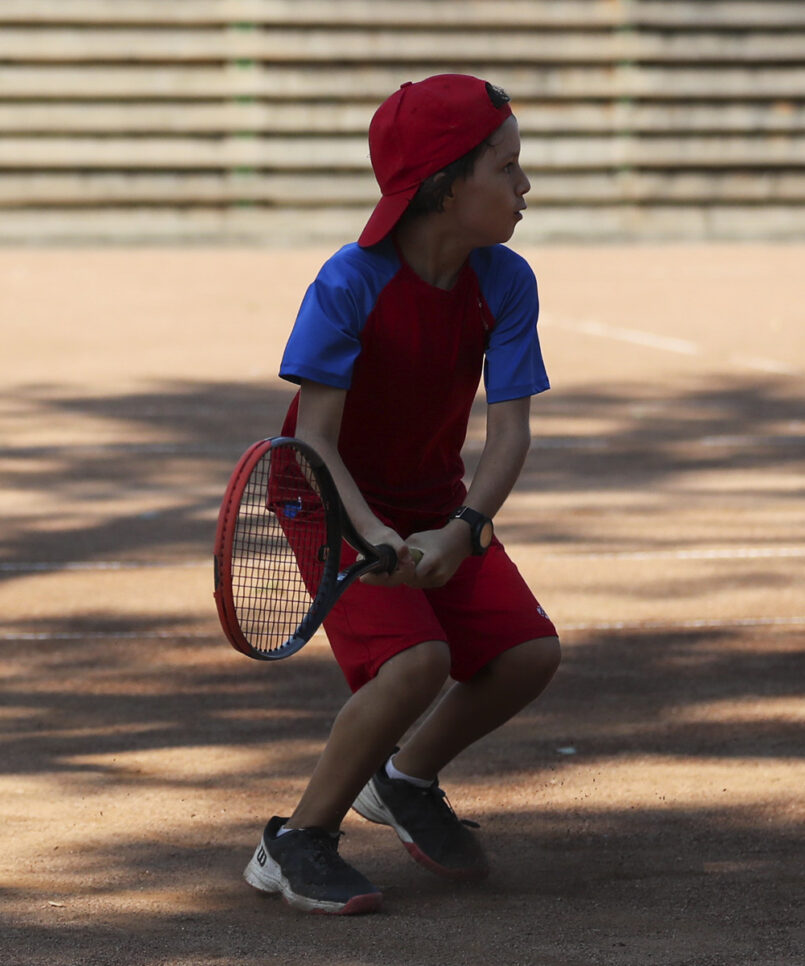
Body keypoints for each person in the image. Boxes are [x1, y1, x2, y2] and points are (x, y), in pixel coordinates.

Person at [243, 73, 561, 915]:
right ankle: (295, 840)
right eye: (508, 166)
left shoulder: (506, 281)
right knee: (413, 663)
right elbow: (313, 440)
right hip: (324, 493)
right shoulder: (349, 281)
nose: (526, 185)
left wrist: (462, 529)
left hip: (433, 499)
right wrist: (375, 528)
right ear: (447, 185)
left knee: (527, 655)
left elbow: (510, 434)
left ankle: (403, 779)